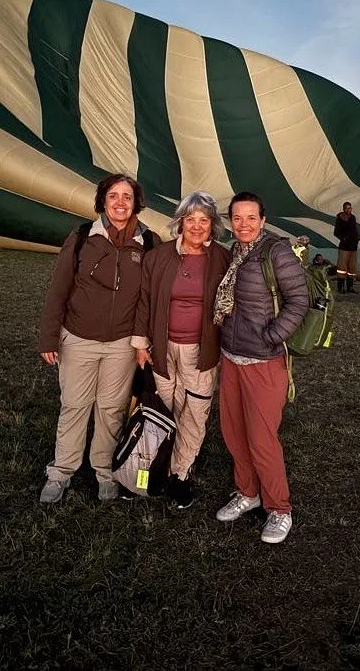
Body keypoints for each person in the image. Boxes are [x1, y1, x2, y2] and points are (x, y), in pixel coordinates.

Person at [38, 174, 161, 503]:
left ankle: (104, 470)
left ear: (136, 203)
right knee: (75, 406)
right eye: (113, 196)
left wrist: (140, 343)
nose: (120, 203)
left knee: (110, 410)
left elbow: (147, 300)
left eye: (127, 197)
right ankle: (61, 470)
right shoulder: (82, 237)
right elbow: (59, 290)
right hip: (78, 338)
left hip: (121, 344)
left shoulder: (149, 242)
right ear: (103, 201)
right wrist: (49, 337)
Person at [213, 191, 308, 544]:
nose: (244, 224)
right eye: (237, 218)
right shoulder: (235, 252)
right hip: (232, 357)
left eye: (251, 217)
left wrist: (272, 336)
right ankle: (248, 492)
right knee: (234, 433)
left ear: (263, 219)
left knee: (262, 438)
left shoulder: (276, 251)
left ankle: (279, 508)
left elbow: (300, 301)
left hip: (264, 361)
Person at [132, 191, 231, 509]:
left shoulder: (222, 258)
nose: (198, 226)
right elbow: (144, 300)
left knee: (194, 415)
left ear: (213, 225)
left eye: (205, 220)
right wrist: (140, 343)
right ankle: (153, 467)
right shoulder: (158, 256)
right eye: (191, 219)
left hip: (201, 352)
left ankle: (180, 476)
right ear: (180, 222)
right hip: (161, 349)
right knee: (165, 409)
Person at [334, 201, 360, 293]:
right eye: (347, 208)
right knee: (342, 268)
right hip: (344, 247)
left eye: (350, 208)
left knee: (352, 268)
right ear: (344, 209)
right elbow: (336, 232)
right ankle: (340, 288)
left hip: (353, 246)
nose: (349, 209)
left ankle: (350, 287)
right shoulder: (340, 218)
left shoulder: (353, 217)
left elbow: (354, 230)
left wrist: (357, 238)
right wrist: (344, 238)